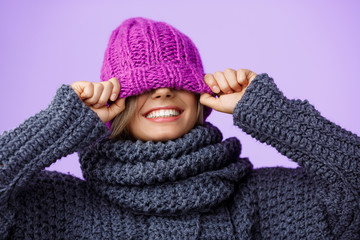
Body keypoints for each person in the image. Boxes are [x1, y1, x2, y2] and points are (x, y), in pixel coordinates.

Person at [0, 16, 359, 240]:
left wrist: (272, 112)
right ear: (115, 102)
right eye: (142, 85)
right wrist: (56, 125)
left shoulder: (265, 199)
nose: (163, 90)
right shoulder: (59, 208)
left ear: (200, 96)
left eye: (177, 80)